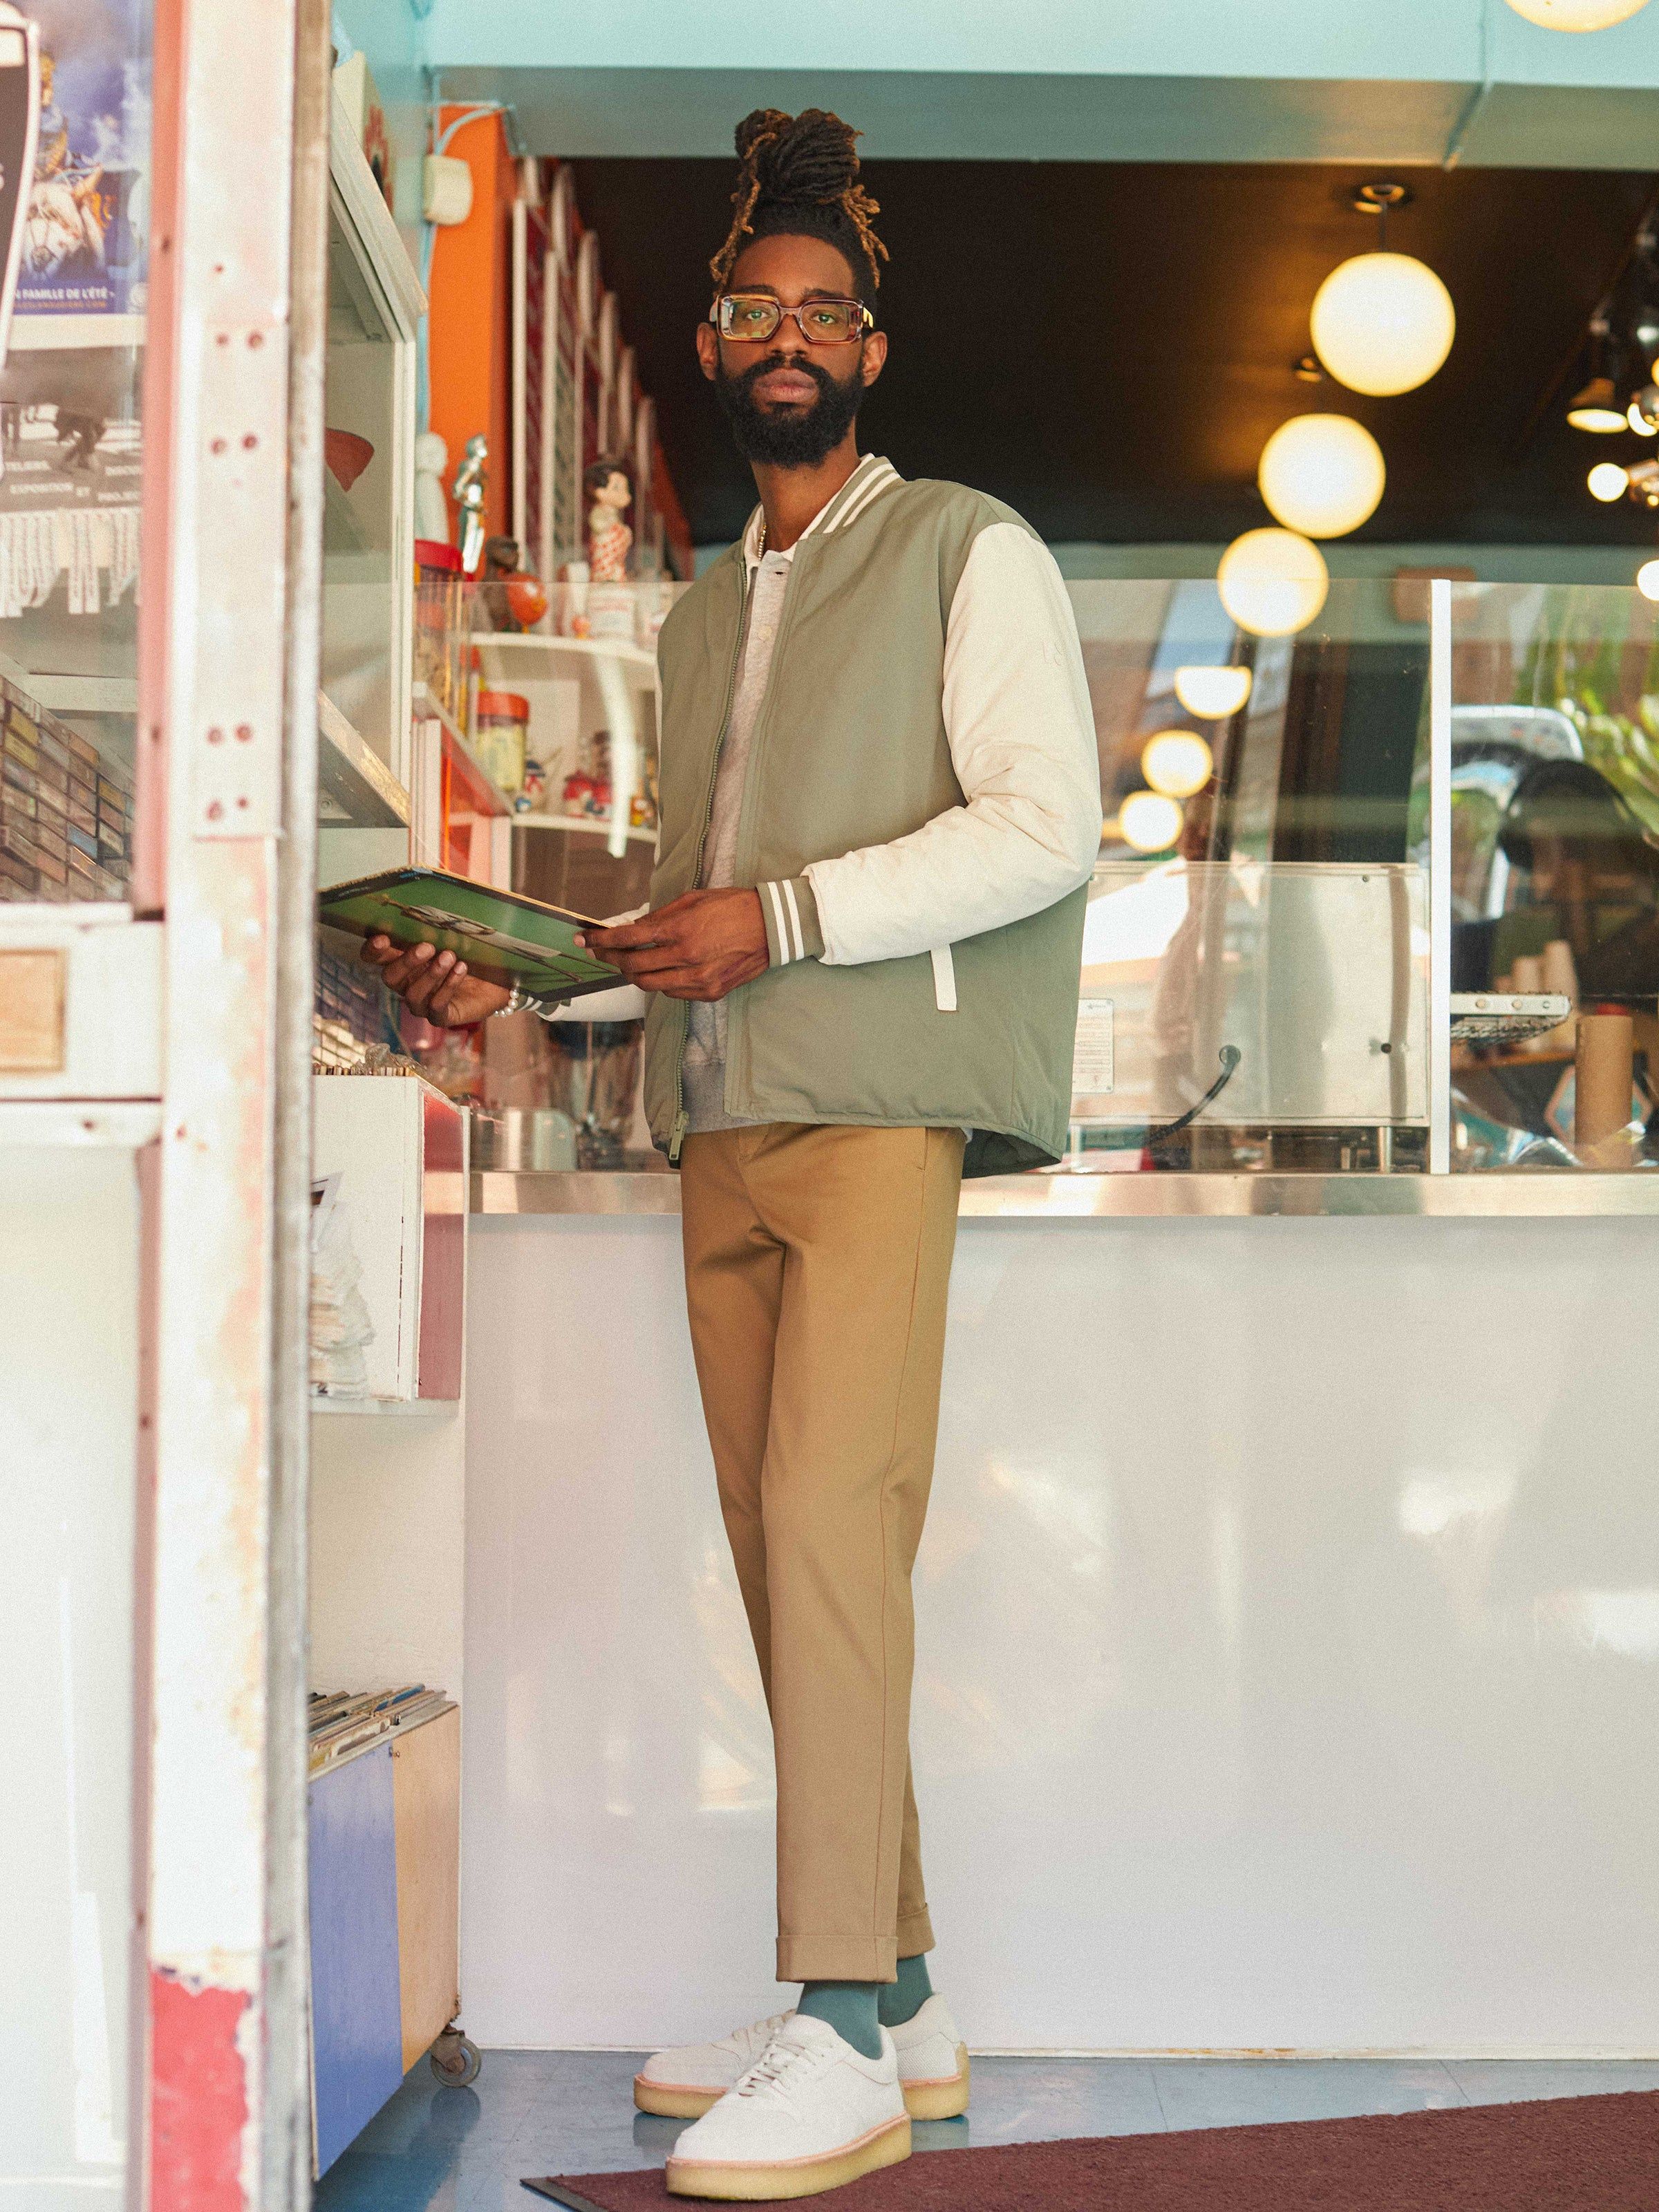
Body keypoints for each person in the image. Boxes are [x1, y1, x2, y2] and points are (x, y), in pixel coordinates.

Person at [363, 106, 1101, 2201]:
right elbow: (678, 924)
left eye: (824, 313)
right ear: (708, 341)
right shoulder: (704, 618)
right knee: (796, 1562)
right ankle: (908, 1992)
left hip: (877, 1114)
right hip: (726, 1121)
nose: (788, 339)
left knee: (833, 1539)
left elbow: (1049, 830)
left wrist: (772, 922)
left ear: (871, 347)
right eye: (754, 310)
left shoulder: (973, 547)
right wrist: (516, 996)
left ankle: (841, 2026)